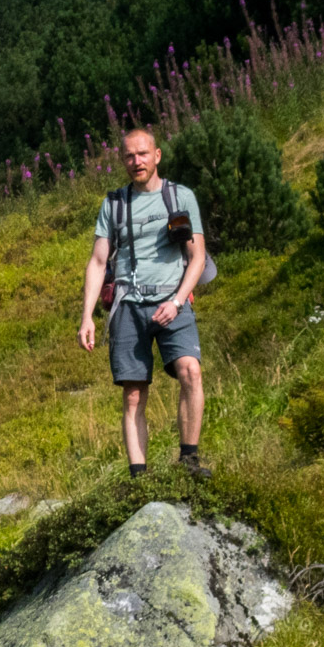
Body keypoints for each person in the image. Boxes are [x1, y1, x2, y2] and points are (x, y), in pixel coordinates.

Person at [77, 127, 213, 479]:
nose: (136, 161)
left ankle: (189, 462)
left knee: (191, 371)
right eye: (128, 156)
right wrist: (87, 317)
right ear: (122, 161)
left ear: (157, 156)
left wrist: (178, 301)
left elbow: (197, 257)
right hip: (127, 306)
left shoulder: (180, 197)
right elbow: (97, 261)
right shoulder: (114, 204)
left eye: (142, 154)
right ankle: (140, 479)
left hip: (173, 301)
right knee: (134, 395)